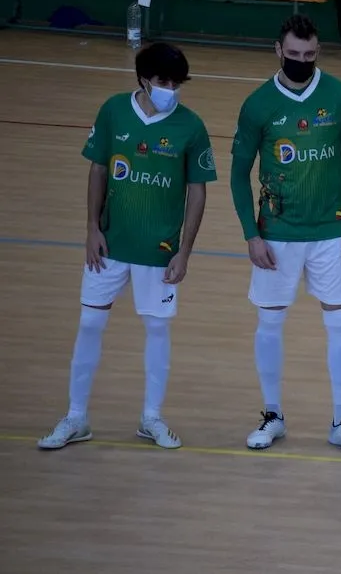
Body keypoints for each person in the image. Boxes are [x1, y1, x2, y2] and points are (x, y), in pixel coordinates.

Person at [38, 42, 217, 451]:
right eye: (162, 81)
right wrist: (91, 228)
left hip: (159, 251)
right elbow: (98, 169)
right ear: (143, 79)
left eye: (176, 83)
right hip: (110, 245)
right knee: (89, 324)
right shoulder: (114, 111)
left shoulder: (191, 126)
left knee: (156, 328)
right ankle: (76, 417)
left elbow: (198, 191)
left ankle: (151, 417)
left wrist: (184, 251)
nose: (169, 89)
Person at [230, 14, 341, 456]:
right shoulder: (257, 104)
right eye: (293, 54)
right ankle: (272, 415)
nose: (301, 61)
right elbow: (238, 174)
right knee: (270, 323)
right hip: (277, 233)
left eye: (309, 54)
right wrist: (251, 234)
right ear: (278, 50)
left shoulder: (339, 95)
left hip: (332, 232)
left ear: (318, 52)